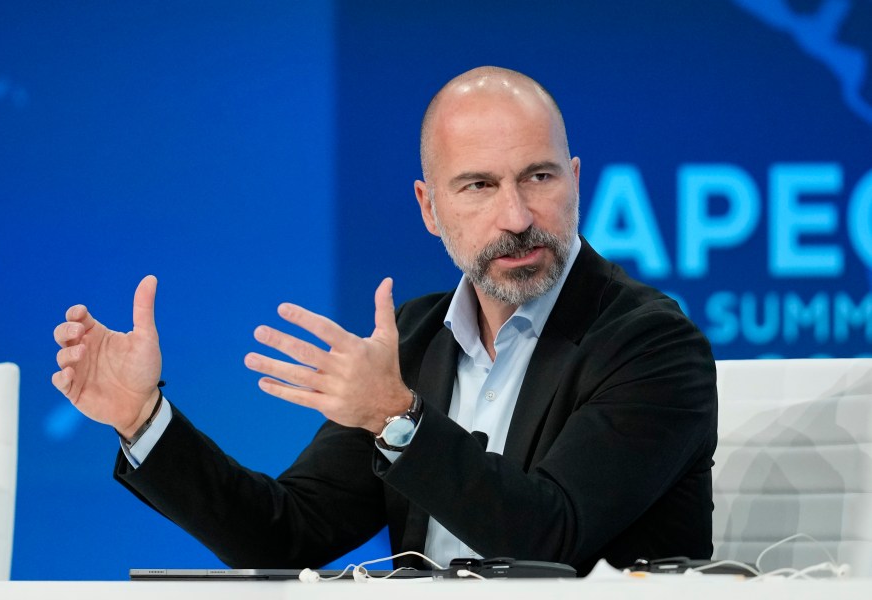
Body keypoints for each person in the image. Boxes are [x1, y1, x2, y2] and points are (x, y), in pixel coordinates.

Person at [52, 66, 717, 576]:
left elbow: (549, 542)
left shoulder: (649, 343)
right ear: (429, 208)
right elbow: (286, 536)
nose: (516, 216)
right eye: (479, 186)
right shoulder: (418, 340)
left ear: (574, 181)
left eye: (538, 177)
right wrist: (142, 420)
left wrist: (399, 422)